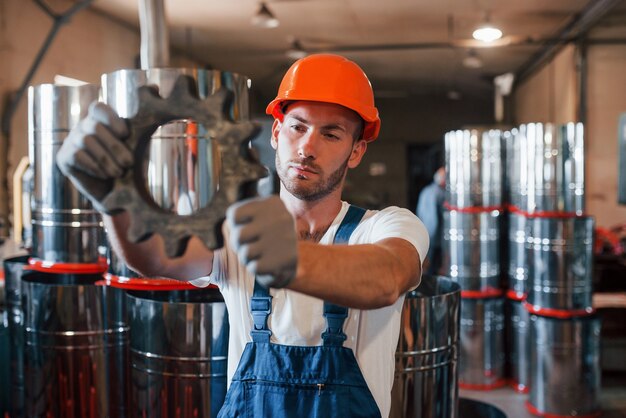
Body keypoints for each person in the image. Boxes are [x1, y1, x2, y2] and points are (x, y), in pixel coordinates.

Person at [56, 54, 429, 417]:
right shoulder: (233, 231)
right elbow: (156, 256)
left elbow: (388, 275)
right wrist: (113, 200)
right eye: (298, 127)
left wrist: (291, 259)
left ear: (356, 152)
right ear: (277, 132)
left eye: (331, 134)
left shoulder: (386, 225)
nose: (307, 148)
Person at [416, 166, 445, 275]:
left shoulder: (426, 190)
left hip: (425, 233)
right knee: (430, 267)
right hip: (433, 237)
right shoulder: (438, 193)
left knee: (426, 265)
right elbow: (433, 219)